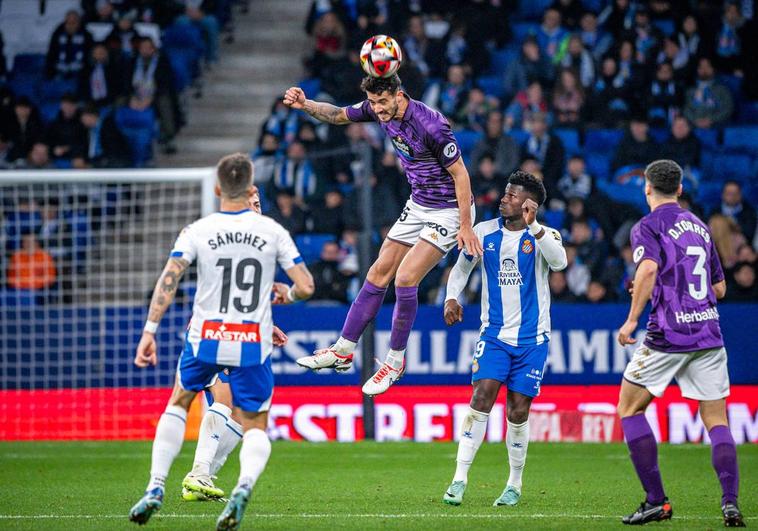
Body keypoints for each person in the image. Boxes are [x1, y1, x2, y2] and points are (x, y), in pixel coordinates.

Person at [127, 153, 315, 527]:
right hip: (249, 339)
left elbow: (169, 280)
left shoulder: (197, 230)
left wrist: (149, 331)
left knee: (179, 402)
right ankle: (242, 485)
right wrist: (286, 294)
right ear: (249, 189)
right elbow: (307, 286)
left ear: (216, 189)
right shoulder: (273, 232)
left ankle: (155, 485)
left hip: (206, 336)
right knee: (256, 422)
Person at [284, 74, 482, 396]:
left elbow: (461, 174)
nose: (378, 109)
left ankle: (394, 361)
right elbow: (335, 115)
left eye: (382, 102)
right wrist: (305, 105)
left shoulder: (431, 124)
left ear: (398, 94)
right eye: (373, 103)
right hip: (419, 203)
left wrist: (464, 225)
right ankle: (343, 349)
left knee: (405, 278)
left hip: (448, 208)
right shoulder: (378, 110)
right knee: (378, 272)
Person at [615, 160, 745, 527]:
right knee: (716, 419)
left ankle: (657, 501)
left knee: (629, 408)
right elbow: (719, 288)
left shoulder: (648, 225)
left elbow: (649, 269)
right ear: (680, 189)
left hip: (668, 334)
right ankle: (730, 503)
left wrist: (631, 318)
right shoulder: (700, 227)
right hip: (708, 332)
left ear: (647, 188)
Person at [440, 170, 567, 507]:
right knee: (481, 397)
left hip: (533, 340)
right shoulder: (483, 232)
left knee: (518, 410)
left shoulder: (544, 236)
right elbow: (462, 269)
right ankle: (459, 479)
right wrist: (452, 297)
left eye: (511, 196)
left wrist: (535, 227)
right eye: (505, 193)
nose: (503, 199)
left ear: (528, 204)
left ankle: (514, 484)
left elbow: (560, 262)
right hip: (494, 335)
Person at [180, 187, 290, 503]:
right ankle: (198, 473)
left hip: (237, 329)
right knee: (226, 400)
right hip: (215, 328)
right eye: (252, 203)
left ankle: (200, 478)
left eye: (259, 203)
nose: (257, 208)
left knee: (242, 415)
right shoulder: (229, 237)